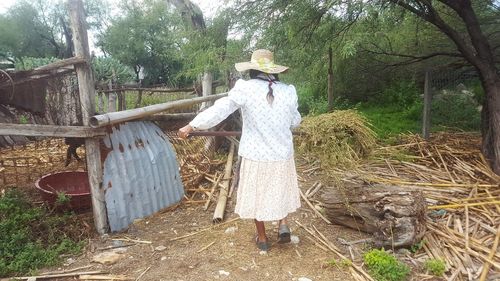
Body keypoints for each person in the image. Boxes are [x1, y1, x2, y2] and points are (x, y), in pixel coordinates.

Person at [178, 49, 301, 251]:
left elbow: (221, 109)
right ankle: (283, 224)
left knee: (256, 193)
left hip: (256, 154)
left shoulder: (245, 89)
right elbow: (295, 121)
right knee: (280, 189)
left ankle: (262, 238)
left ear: (252, 70)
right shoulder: (288, 91)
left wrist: (193, 125)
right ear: (274, 71)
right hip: (282, 153)